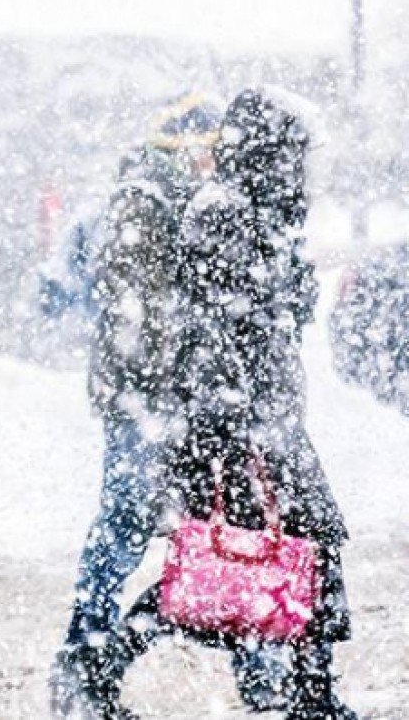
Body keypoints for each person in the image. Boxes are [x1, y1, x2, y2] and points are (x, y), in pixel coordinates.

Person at [97, 89, 358, 720]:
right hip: (237, 428)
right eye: (294, 156)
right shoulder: (225, 215)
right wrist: (237, 427)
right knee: (225, 566)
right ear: (268, 154)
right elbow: (215, 333)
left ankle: (310, 694)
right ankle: (98, 673)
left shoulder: (257, 215)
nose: (302, 171)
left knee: (270, 555)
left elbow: (275, 318)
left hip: (260, 422)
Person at [51, 93, 288, 715]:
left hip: (183, 401)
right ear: (182, 150)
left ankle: (260, 675)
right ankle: (82, 668)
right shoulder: (145, 202)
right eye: (208, 151)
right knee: (127, 527)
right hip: (149, 405)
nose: (217, 164)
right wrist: (187, 368)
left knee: (231, 525)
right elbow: (141, 316)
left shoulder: (191, 204)